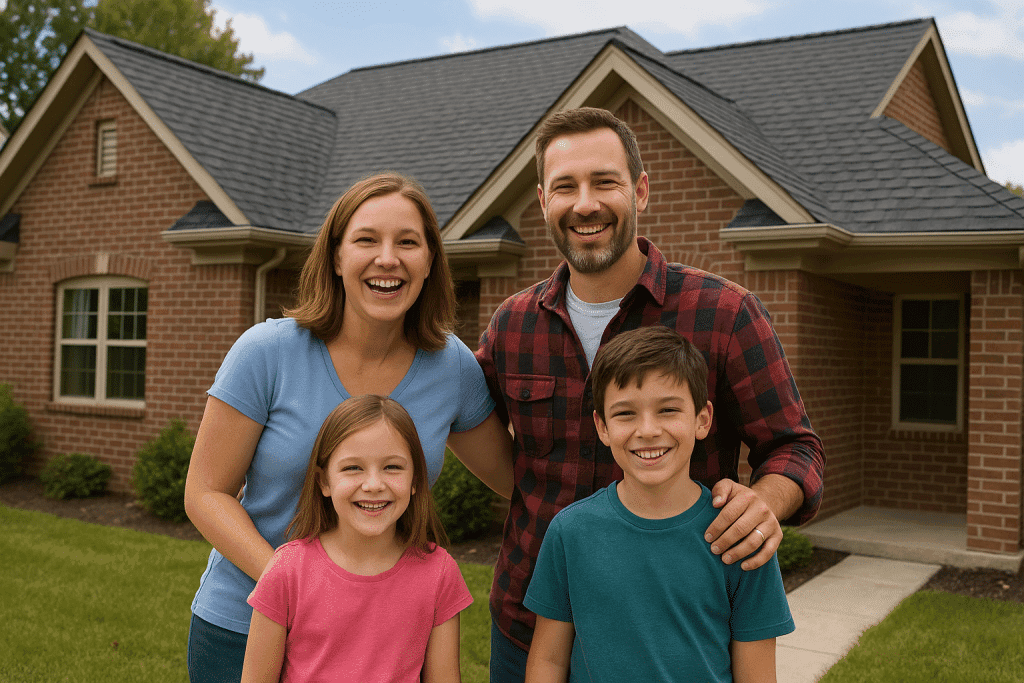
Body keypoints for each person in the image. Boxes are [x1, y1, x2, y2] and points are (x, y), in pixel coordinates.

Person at [475, 107, 823, 680]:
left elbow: (795, 447)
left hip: (672, 640)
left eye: (604, 182)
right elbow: (462, 417)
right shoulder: (513, 325)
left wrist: (764, 503)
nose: (585, 203)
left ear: (639, 191)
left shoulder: (725, 314)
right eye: (565, 187)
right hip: (528, 630)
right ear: (542, 201)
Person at [185, 172, 513, 682]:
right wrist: (294, 587)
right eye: (366, 240)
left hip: (381, 638)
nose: (388, 258)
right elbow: (205, 493)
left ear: (430, 261)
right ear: (336, 257)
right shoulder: (267, 352)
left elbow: (516, 479)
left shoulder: (451, 367)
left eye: (408, 242)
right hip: (244, 626)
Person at [523, 326, 794, 682]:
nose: (648, 430)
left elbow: (757, 675)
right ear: (602, 427)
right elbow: (548, 661)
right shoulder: (570, 532)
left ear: (702, 420)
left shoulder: (738, 535)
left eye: (667, 409)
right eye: (625, 414)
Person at [241, 395, 471, 683]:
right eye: (352, 468)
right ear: (324, 481)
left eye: (392, 467)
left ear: (415, 480)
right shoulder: (286, 570)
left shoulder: (440, 573)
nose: (373, 485)